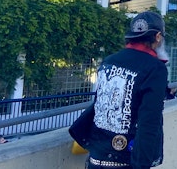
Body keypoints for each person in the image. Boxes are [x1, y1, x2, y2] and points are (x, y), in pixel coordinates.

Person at [70, 11, 169, 169]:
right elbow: (149, 123)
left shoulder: (109, 61)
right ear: (157, 37)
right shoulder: (155, 68)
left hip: (96, 158)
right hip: (124, 160)